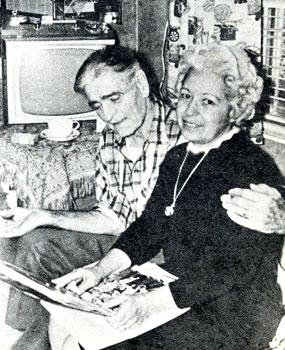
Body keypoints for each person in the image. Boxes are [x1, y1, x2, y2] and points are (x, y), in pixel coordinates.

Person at [0, 45, 284, 350]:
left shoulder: (249, 166)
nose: (189, 111)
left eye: (208, 102)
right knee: (65, 323)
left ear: (234, 107)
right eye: (186, 97)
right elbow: (149, 226)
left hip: (232, 311)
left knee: (102, 342)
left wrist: (147, 304)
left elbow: (226, 268)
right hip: (180, 288)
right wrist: (99, 270)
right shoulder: (180, 156)